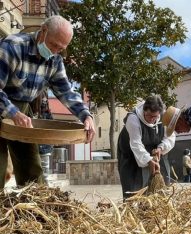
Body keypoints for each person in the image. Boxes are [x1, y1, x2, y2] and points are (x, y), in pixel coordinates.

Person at [0, 15, 95, 189]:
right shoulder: (12, 47)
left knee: (32, 170)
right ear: (43, 31)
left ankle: (34, 211)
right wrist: (13, 113)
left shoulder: (55, 60)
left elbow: (66, 91)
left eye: (61, 48)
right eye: (53, 44)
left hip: (23, 111)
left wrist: (86, 115)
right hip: (4, 105)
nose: (54, 51)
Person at [117, 95, 175, 199]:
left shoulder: (163, 115)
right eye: (149, 116)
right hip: (132, 153)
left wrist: (161, 148)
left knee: (162, 182)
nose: (152, 120)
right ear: (144, 110)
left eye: (155, 117)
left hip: (156, 150)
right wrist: (148, 160)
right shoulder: (133, 118)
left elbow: (170, 137)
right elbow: (136, 144)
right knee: (134, 188)